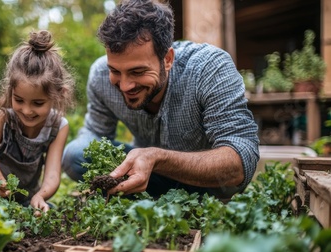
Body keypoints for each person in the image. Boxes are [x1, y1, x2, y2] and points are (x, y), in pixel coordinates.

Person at [62, 0, 260, 200]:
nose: (124, 86)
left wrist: (158, 158)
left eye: (137, 72)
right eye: (115, 71)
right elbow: (95, 132)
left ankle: (162, 202)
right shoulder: (100, 75)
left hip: (209, 186)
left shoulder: (210, 68)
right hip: (149, 179)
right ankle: (151, 200)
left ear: (167, 60)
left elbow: (242, 160)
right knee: (75, 154)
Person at [0, 30, 75, 212]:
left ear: (58, 95)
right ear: (10, 91)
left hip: (26, 200)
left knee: (51, 210)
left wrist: (40, 196)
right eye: (19, 100)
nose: (27, 110)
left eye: (38, 103)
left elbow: (52, 174)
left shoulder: (58, 126)